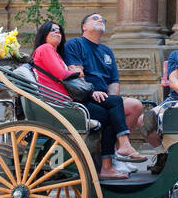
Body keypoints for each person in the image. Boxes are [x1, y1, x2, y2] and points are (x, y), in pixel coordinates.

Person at [32, 21, 144, 179]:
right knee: (114, 104)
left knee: (112, 108)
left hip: (67, 101)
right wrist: (82, 79)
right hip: (61, 103)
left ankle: (111, 161)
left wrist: (78, 75)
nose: (57, 32)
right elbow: (62, 74)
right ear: (43, 33)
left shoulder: (55, 52)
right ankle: (120, 149)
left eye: (59, 30)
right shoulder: (45, 49)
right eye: (52, 30)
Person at [63, 13, 162, 164]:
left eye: (103, 19)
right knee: (113, 109)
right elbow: (76, 74)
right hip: (85, 97)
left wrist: (111, 100)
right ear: (84, 27)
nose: (100, 20)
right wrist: (92, 92)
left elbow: (114, 82)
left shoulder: (106, 51)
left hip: (104, 99)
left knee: (135, 106)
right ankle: (121, 149)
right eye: (95, 19)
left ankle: (118, 152)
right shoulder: (75, 44)